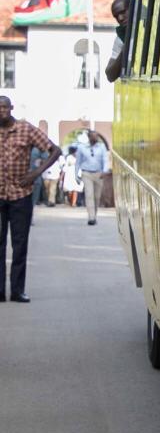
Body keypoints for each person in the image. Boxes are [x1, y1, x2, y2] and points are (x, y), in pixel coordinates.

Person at [0, 96, 61, 302]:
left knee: (19, 244)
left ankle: (17, 290)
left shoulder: (26, 129)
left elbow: (55, 150)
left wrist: (36, 173)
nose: (1, 111)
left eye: (4, 107)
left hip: (20, 195)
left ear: (11, 108)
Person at [76, 129, 108, 225]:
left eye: (97, 136)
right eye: (93, 136)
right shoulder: (82, 147)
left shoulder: (102, 147)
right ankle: (91, 217)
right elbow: (78, 162)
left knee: (97, 197)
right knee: (89, 195)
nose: (96, 138)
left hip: (98, 174)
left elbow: (105, 159)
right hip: (86, 173)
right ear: (89, 137)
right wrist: (76, 175)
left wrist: (104, 171)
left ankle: (94, 214)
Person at [104, 0, 131, 83]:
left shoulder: (146, 29)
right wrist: (124, 49)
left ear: (133, 8)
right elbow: (110, 75)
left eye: (123, 12)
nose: (120, 18)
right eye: (116, 16)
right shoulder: (120, 39)